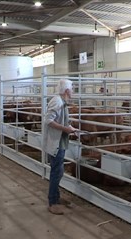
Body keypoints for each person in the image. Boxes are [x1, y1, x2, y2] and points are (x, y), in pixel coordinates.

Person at [43, 79, 77, 215]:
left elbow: (58, 120)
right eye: (72, 89)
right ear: (67, 91)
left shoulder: (61, 102)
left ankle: (56, 197)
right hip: (55, 143)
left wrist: (69, 128)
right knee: (56, 172)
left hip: (59, 142)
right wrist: (65, 128)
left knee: (59, 171)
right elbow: (48, 120)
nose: (73, 91)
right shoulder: (57, 101)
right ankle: (52, 202)